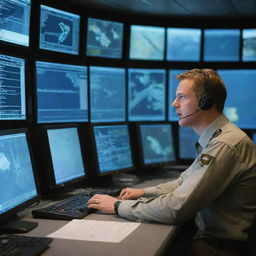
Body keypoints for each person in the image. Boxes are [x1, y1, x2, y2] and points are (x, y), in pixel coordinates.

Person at [88, 68, 256, 256]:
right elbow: (182, 183)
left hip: (218, 249)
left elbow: (175, 209)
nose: (174, 104)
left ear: (205, 103)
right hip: (212, 242)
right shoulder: (219, 139)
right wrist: (144, 192)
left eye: (182, 97)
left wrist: (118, 207)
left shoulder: (224, 144)